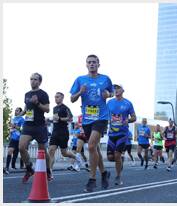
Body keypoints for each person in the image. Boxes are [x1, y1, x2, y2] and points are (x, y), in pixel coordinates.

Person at [70, 54, 113, 192]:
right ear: (86, 65)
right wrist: (80, 92)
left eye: (94, 62)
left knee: (92, 146)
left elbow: (111, 92)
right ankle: (104, 173)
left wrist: (108, 94)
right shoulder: (80, 80)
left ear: (98, 64)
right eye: (89, 62)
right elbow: (72, 99)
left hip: (101, 117)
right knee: (95, 149)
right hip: (87, 119)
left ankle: (92, 179)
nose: (92, 64)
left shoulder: (105, 79)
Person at [18, 73, 52, 183]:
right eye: (31, 79)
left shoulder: (43, 94)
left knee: (42, 150)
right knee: (21, 147)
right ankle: (29, 169)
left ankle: (48, 170)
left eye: (35, 79)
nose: (32, 81)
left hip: (39, 126)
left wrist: (37, 103)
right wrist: (22, 112)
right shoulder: (26, 94)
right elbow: (27, 106)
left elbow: (47, 109)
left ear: (40, 82)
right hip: (28, 125)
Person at [107, 84, 136, 185]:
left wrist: (128, 120)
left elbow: (134, 117)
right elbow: (105, 115)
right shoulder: (109, 102)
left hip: (123, 133)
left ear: (123, 90)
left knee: (117, 154)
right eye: (114, 88)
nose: (116, 90)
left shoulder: (128, 103)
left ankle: (118, 177)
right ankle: (120, 160)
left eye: (118, 88)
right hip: (111, 133)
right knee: (110, 157)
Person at [48, 92, 79, 178]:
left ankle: (76, 157)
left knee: (64, 153)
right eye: (55, 97)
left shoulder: (65, 108)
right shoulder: (54, 108)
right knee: (51, 150)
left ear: (62, 98)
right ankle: (50, 172)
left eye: (57, 97)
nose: (56, 98)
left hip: (63, 132)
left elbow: (70, 118)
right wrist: (49, 120)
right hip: (55, 132)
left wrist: (60, 119)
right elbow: (55, 120)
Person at [4, 107, 25, 174]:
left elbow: (22, 129)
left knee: (16, 153)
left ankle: (16, 166)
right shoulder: (13, 119)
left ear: (20, 112)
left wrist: (15, 127)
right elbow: (10, 127)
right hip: (13, 138)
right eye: (15, 110)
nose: (15, 112)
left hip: (20, 139)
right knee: (10, 151)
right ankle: (7, 167)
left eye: (17, 111)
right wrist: (10, 132)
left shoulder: (22, 119)